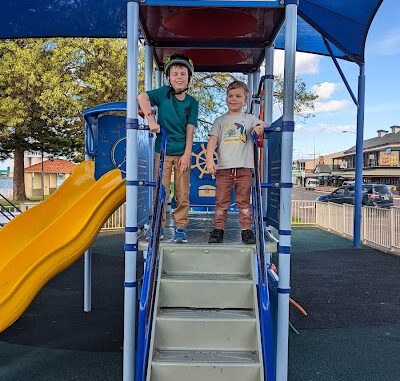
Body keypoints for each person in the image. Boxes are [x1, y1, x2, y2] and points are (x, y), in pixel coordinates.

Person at [138, 54, 199, 243]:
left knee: (182, 192)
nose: (179, 77)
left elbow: (190, 130)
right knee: (160, 190)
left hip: (182, 153)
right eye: (175, 74)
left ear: (189, 78)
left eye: (183, 73)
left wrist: (188, 153)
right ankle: (159, 226)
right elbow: (142, 96)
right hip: (162, 151)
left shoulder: (192, 102)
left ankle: (180, 227)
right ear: (169, 78)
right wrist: (150, 120)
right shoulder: (163, 94)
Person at [206, 80, 265, 244]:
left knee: (244, 201)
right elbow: (212, 142)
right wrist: (210, 160)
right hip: (224, 169)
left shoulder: (249, 118)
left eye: (238, 96)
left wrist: (259, 127)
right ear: (226, 99)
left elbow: (261, 125)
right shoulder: (220, 120)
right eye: (230, 96)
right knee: (221, 202)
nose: (233, 99)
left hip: (244, 168)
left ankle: (246, 230)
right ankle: (218, 230)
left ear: (245, 100)